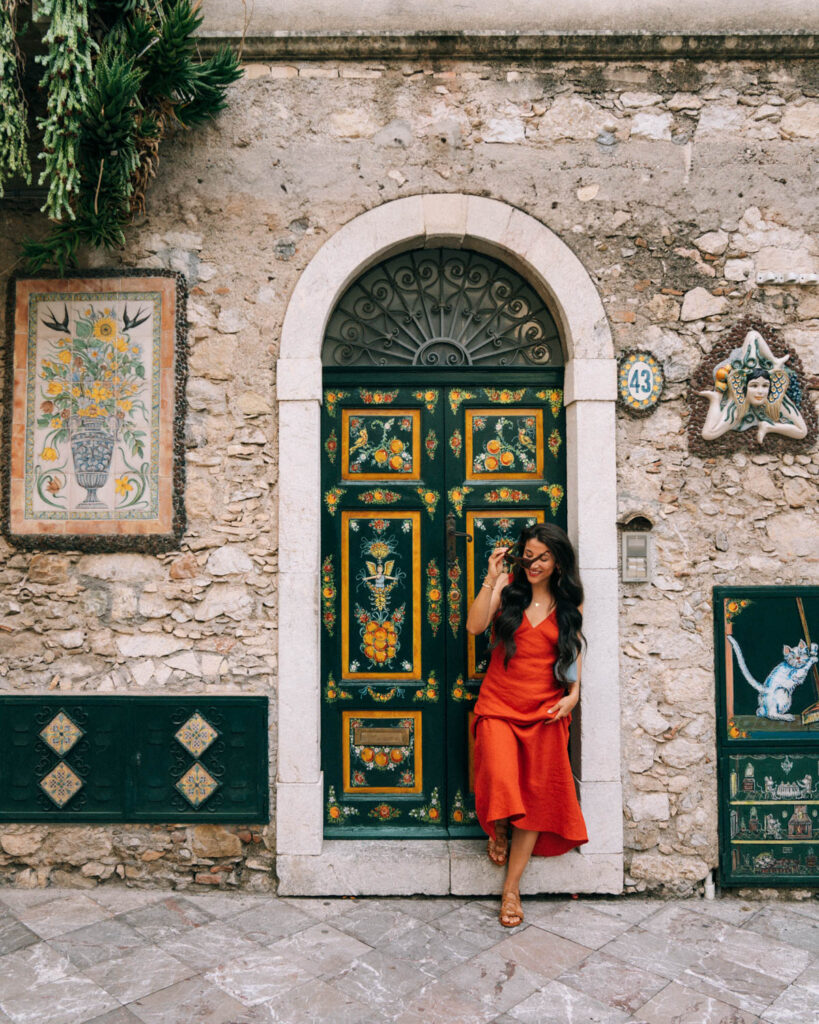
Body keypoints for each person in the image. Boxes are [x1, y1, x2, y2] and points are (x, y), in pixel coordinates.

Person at [466, 523, 588, 927]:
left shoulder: (570, 603)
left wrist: (574, 694)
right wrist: (491, 579)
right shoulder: (508, 592)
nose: (534, 564)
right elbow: (474, 627)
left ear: (558, 562)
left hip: (545, 710)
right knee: (501, 776)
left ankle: (511, 889)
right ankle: (500, 824)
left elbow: (573, 652)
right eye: (529, 556)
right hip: (499, 704)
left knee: (536, 798)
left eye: (543, 558)